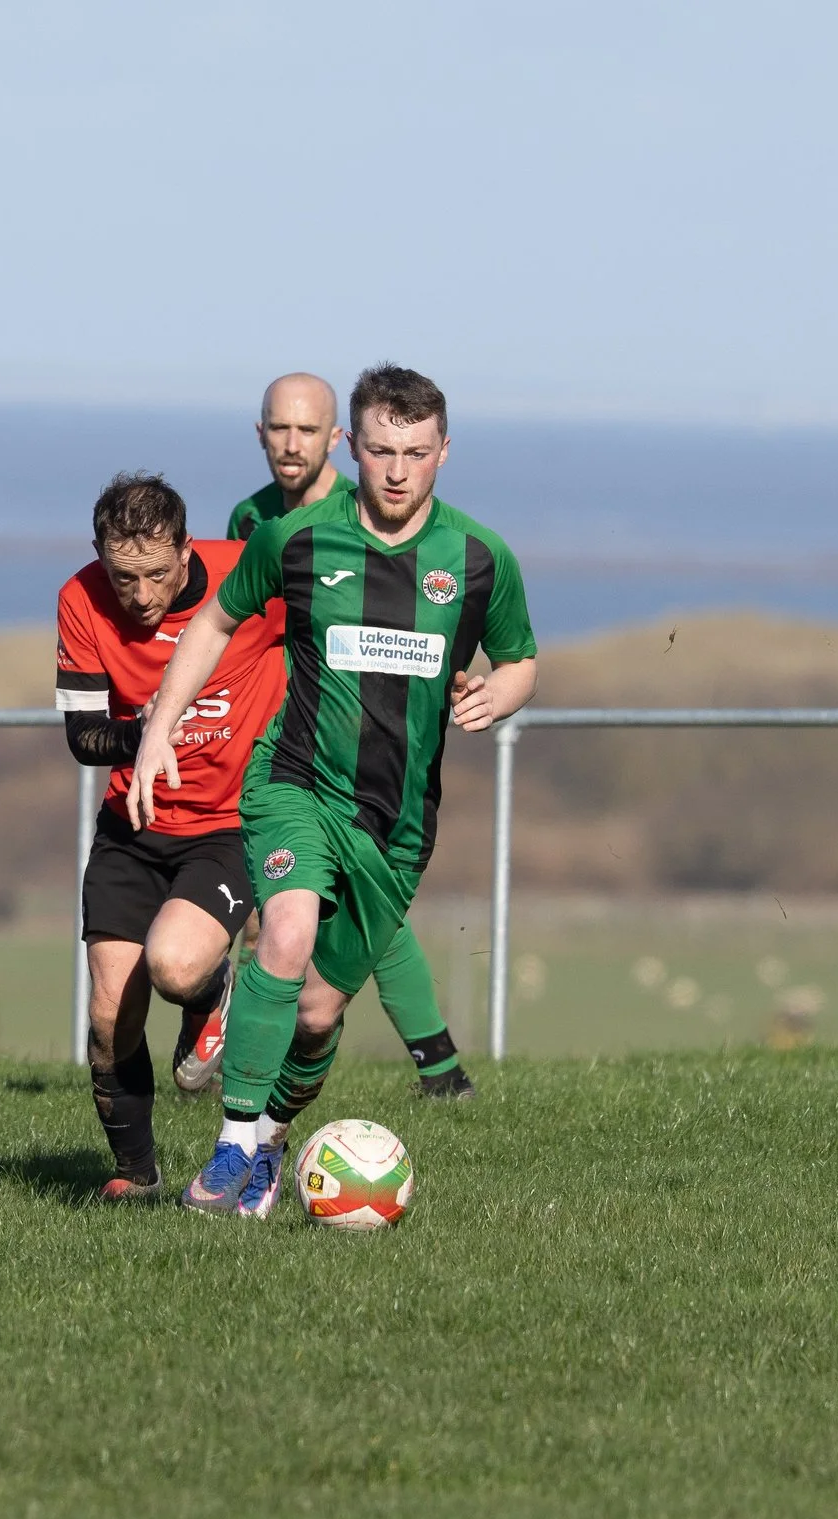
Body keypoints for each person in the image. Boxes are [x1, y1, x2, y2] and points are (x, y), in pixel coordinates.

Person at [131, 364, 539, 1218]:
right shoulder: (296, 539)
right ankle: (234, 1146)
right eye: (382, 450)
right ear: (353, 447)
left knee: (318, 1013)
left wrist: (499, 694)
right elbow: (214, 621)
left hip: (398, 823)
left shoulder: (479, 558)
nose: (397, 471)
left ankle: (273, 1139)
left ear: (444, 451)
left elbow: (520, 660)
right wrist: (161, 724)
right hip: (296, 783)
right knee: (284, 933)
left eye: (416, 453)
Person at [228, 372, 478, 1099]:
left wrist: (453, 678)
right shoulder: (253, 519)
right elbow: (233, 618)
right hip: (279, 742)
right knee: (282, 916)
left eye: (307, 430)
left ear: (338, 440)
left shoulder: (374, 511)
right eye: (279, 429)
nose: (291, 444)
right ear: (259, 433)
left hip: (362, 758)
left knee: (364, 917)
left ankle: (437, 1066)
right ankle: (236, 1058)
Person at [58, 472, 286, 1199]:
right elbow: (84, 736)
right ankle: (136, 1175)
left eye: (157, 574)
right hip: (132, 824)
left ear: (188, 550)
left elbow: (338, 624)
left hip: (230, 823)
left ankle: (212, 988)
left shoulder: (250, 574)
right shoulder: (80, 598)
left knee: (176, 967)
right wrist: (148, 730)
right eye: (123, 577)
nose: (141, 594)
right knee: (108, 1014)